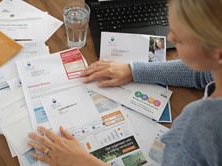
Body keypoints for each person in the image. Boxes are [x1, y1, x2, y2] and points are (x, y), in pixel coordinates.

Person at [27, 0, 222, 165]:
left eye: (179, 39)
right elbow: (206, 74)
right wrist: (133, 70)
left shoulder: (196, 130)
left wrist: (83, 162)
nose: (169, 37)